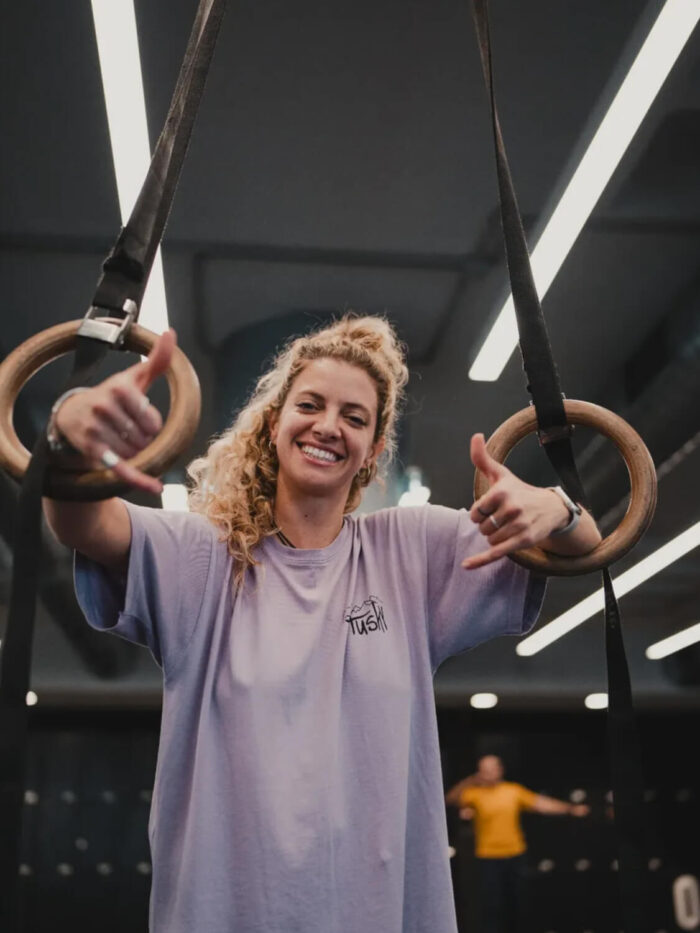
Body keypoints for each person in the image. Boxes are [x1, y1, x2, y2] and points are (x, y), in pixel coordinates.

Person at [43, 315, 601, 933]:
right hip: (228, 912)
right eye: (310, 405)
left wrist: (558, 508)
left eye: (355, 418)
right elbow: (84, 524)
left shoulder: (412, 551)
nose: (328, 426)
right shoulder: (203, 558)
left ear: (373, 450)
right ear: (274, 422)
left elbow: (587, 547)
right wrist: (68, 440)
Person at [446, 754, 590, 933]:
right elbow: (450, 799)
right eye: (483, 770)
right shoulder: (474, 794)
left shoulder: (513, 791)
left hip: (515, 853)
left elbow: (542, 804)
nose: (488, 773)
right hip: (488, 856)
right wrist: (471, 780)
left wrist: (570, 808)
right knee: (492, 905)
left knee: (519, 902)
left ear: (500, 769)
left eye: (491, 768)